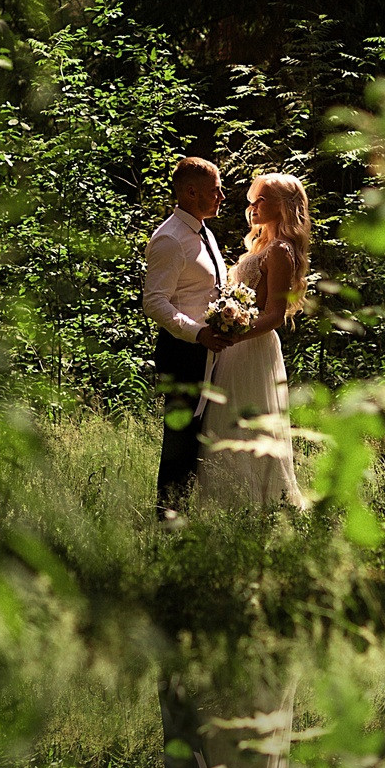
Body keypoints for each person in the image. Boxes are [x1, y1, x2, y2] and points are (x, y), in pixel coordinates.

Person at [196, 171, 310, 511]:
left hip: (253, 346)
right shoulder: (261, 245)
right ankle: (226, 501)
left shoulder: (280, 250)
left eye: (262, 199)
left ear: (283, 206)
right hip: (238, 345)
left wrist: (234, 333)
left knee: (247, 421)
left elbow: (275, 313)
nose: (253, 205)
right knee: (225, 419)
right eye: (253, 199)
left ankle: (256, 501)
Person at [142, 156, 230, 512]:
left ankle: (188, 517)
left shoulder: (203, 230)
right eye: (215, 190)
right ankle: (168, 521)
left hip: (209, 352)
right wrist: (198, 334)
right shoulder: (170, 239)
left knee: (200, 443)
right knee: (179, 445)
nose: (222, 196)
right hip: (184, 354)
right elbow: (154, 302)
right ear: (191, 192)